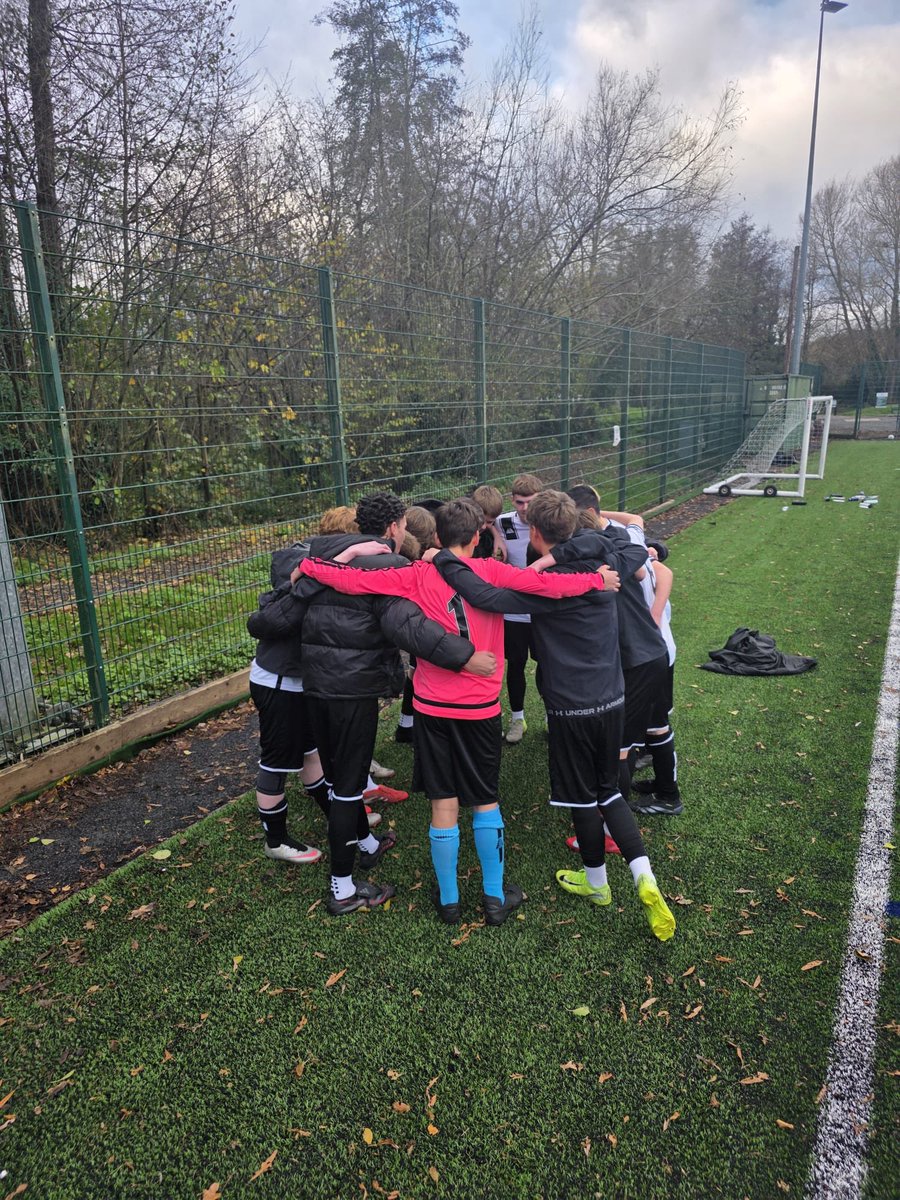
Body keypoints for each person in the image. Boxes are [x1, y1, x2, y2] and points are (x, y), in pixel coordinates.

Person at [298, 498, 611, 926]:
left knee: (443, 804)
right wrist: (595, 580)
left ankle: (449, 902)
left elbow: (354, 581)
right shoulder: (493, 571)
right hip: (480, 710)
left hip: (431, 708)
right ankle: (495, 898)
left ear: (438, 538)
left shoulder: (414, 574)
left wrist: (310, 568)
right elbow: (548, 586)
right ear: (479, 535)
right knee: (485, 801)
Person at [431, 490, 675, 941]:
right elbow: (632, 545)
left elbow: (481, 592)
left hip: (570, 706)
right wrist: (567, 549)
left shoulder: (538, 589)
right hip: (612, 698)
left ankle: (598, 884)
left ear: (535, 534)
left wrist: (443, 561)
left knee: (582, 797)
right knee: (610, 791)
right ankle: (644, 876)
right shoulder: (608, 571)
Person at [248, 492, 486, 916]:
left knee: (343, 776)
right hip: (351, 692)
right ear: (394, 527)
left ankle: (368, 842)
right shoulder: (385, 566)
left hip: (316, 689)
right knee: (347, 787)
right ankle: (342, 889)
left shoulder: (321, 556)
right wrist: (464, 655)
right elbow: (407, 626)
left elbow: (279, 602)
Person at [496, 473, 544, 743]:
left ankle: (552, 716)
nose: (525, 508)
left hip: (542, 609)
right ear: (512, 501)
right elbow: (484, 519)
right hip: (513, 611)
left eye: (530, 502)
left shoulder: (549, 522)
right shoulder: (504, 523)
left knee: (547, 663)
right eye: (519, 502)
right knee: (515, 665)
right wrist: (495, 536)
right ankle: (517, 719)